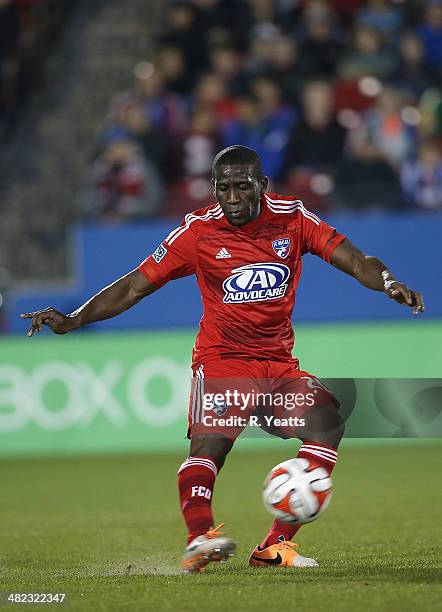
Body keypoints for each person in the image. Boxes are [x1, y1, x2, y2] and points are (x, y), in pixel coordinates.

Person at [21, 145, 424, 573]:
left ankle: (274, 547)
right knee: (211, 446)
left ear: (261, 186)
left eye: (241, 187)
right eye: (222, 188)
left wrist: (387, 281)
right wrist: (75, 319)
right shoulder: (198, 231)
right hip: (222, 361)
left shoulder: (293, 218)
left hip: (277, 365)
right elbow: (136, 285)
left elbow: (356, 259)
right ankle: (200, 540)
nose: (231, 198)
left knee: (327, 424)